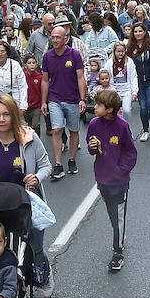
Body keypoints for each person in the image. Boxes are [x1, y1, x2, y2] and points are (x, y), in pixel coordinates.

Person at [0, 94, 54, 296]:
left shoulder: (29, 138)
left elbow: (46, 166)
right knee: (6, 248)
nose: (1, 119)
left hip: (27, 203)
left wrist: (36, 177)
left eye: (6, 115)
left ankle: (44, 273)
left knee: (35, 247)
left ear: (14, 116)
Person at [86, 88, 137, 272]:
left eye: (99, 105)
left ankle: (118, 253)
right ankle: (120, 236)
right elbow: (91, 147)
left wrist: (120, 170)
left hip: (119, 182)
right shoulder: (93, 124)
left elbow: (131, 152)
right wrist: (92, 147)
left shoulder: (122, 126)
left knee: (119, 217)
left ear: (109, 109)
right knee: (112, 215)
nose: (95, 107)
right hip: (102, 178)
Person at [41, 24, 88, 181]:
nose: (54, 40)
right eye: (52, 37)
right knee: (57, 130)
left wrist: (83, 99)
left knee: (73, 131)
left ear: (65, 39)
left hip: (73, 99)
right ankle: (58, 164)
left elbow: (81, 77)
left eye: (57, 37)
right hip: (55, 99)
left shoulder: (74, 55)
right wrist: (44, 102)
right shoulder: (47, 57)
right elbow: (45, 81)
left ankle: (72, 160)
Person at [128, 20, 150, 142]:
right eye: (135, 31)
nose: (138, 33)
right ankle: (145, 130)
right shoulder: (130, 48)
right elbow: (129, 66)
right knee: (143, 107)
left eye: (140, 31)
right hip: (138, 82)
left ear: (145, 32)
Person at [0, 41, 26, 107]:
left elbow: (22, 86)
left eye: (2, 51)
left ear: (7, 53)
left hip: (13, 101)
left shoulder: (15, 65)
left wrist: (23, 105)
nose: (0, 54)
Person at [108, 41, 138, 115]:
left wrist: (134, 92)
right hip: (114, 91)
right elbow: (106, 75)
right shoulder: (109, 63)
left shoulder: (129, 62)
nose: (120, 53)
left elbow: (133, 77)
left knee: (126, 110)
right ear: (114, 51)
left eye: (122, 51)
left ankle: (125, 125)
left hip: (126, 90)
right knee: (115, 112)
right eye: (118, 51)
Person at [21, 55, 43, 133]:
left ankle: (37, 140)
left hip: (37, 106)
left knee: (36, 125)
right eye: (29, 63)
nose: (32, 64)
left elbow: (42, 91)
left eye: (33, 63)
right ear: (25, 65)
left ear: (36, 65)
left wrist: (42, 103)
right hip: (26, 106)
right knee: (27, 126)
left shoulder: (40, 77)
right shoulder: (22, 76)